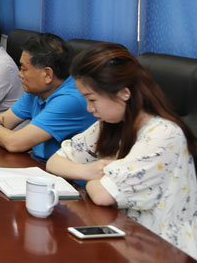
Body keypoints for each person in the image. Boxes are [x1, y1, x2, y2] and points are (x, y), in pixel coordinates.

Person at [46, 43, 197, 258]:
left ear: (124, 93)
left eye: (92, 99)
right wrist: (90, 171)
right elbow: (54, 161)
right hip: (122, 236)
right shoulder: (111, 123)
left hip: (163, 248)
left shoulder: (164, 135)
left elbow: (102, 194)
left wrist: (94, 179)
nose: (89, 108)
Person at [0, 33, 95, 161]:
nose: (19, 74)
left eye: (24, 69)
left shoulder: (70, 100)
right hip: (38, 164)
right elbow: (4, 121)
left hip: (60, 172)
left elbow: (14, 143)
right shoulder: (37, 91)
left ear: (48, 74)